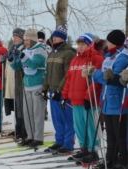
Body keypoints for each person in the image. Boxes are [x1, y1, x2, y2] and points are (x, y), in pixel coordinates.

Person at [82, 30, 128, 169]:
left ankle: (123, 160)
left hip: (119, 101)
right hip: (107, 101)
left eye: (108, 41)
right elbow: (104, 78)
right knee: (110, 133)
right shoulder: (108, 56)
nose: (106, 43)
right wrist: (91, 74)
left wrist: (96, 73)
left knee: (120, 134)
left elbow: (111, 79)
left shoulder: (123, 57)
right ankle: (110, 159)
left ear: (113, 41)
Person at [62, 33, 103, 162]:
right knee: (79, 125)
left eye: (83, 44)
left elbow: (96, 81)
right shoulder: (75, 60)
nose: (80, 47)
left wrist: (88, 96)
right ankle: (84, 148)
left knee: (90, 125)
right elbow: (69, 79)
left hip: (89, 100)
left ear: (89, 45)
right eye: (79, 44)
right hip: (75, 99)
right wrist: (65, 95)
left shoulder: (96, 58)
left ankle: (93, 150)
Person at [9, 28, 47, 147]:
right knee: (27, 113)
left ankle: (38, 137)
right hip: (27, 85)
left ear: (33, 40)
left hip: (37, 84)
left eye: (28, 40)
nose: (25, 42)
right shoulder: (26, 50)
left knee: (37, 113)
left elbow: (34, 64)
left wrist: (22, 55)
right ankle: (30, 136)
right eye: (24, 40)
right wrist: (11, 60)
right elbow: (18, 67)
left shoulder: (40, 50)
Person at [42, 22, 76, 154]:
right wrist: (45, 88)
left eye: (56, 37)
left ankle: (68, 144)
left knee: (67, 119)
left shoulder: (69, 53)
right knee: (57, 119)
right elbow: (48, 73)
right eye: (53, 36)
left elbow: (68, 75)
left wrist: (59, 90)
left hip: (63, 92)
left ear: (63, 38)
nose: (53, 38)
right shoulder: (52, 53)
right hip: (53, 91)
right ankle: (59, 141)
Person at [4, 28, 27, 143]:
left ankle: (24, 129)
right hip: (14, 80)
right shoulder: (15, 48)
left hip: (21, 79)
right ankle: (18, 128)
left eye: (17, 37)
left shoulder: (24, 48)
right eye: (14, 37)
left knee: (22, 106)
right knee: (17, 105)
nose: (15, 39)